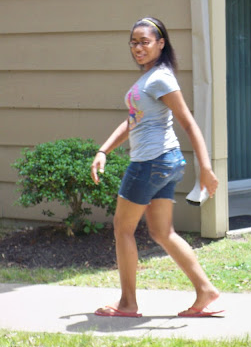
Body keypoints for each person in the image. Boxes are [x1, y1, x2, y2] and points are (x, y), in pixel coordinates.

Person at [90, 17, 222, 318]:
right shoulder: (150, 78)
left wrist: (206, 168)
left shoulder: (160, 78)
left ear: (160, 44)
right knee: (163, 232)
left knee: (122, 229)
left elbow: (188, 123)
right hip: (165, 162)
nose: (138, 48)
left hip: (150, 163)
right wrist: (103, 150)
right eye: (133, 43)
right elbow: (133, 121)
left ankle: (127, 303)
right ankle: (206, 291)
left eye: (145, 42)